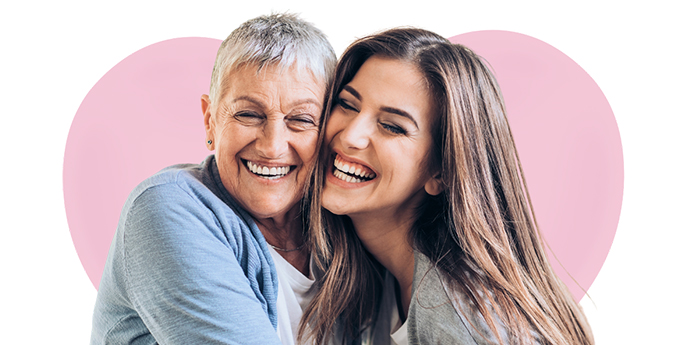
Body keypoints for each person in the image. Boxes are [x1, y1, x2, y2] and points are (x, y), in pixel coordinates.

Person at [300, 28, 594, 345]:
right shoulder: (385, 282)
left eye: (392, 126)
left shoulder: (457, 315)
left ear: (440, 173)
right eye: (347, 104)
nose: (349, 136)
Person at [90, 13, 336, 345]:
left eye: (301, 119)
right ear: (210, 122)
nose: (273, 146)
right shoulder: (165, 208)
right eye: (248, 114)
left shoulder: (341, 227)